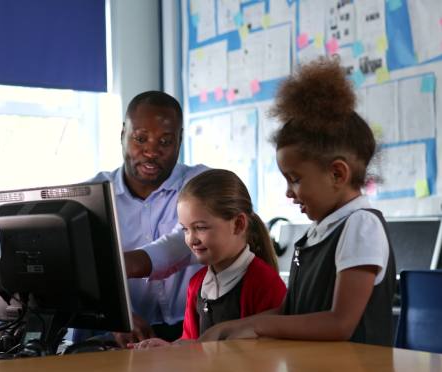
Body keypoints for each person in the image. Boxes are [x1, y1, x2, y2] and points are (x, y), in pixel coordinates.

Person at [198, 57, 396, 346]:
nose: (289, 193)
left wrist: (261, 327)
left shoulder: (360, 226)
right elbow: (292, 313)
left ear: (337, 173)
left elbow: (339, 324)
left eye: (295, 179)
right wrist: (233, 327)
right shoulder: (318, 232)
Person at [82, 91, 208, 346]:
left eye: (165, 141)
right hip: (122, 335)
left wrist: (120, 265)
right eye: (140, 139)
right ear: (122, 136)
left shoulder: (201, 183)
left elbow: (180, 245)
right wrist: (115, 316)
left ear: (180, 141)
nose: (151, 152)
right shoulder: (90, 196)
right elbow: (77, 273)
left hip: (193, 331)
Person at [130, 169, 286, 349]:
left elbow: (271, 355)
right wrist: (168, 348)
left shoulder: (264, 283)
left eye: (200, 228)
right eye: (185, 230)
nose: (191, 239)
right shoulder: (196, 284)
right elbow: (194, 346)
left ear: (238, 224)